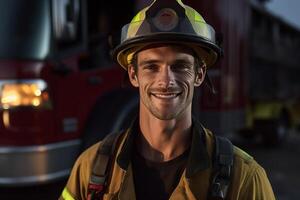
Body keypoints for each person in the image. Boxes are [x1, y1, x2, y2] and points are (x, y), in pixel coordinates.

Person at [59, 0, 275, 199]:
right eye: (151, 67)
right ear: (134, 75)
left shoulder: (245, 177)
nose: (166, 80)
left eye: (180, 66)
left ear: (199, 75)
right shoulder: (90, 168)